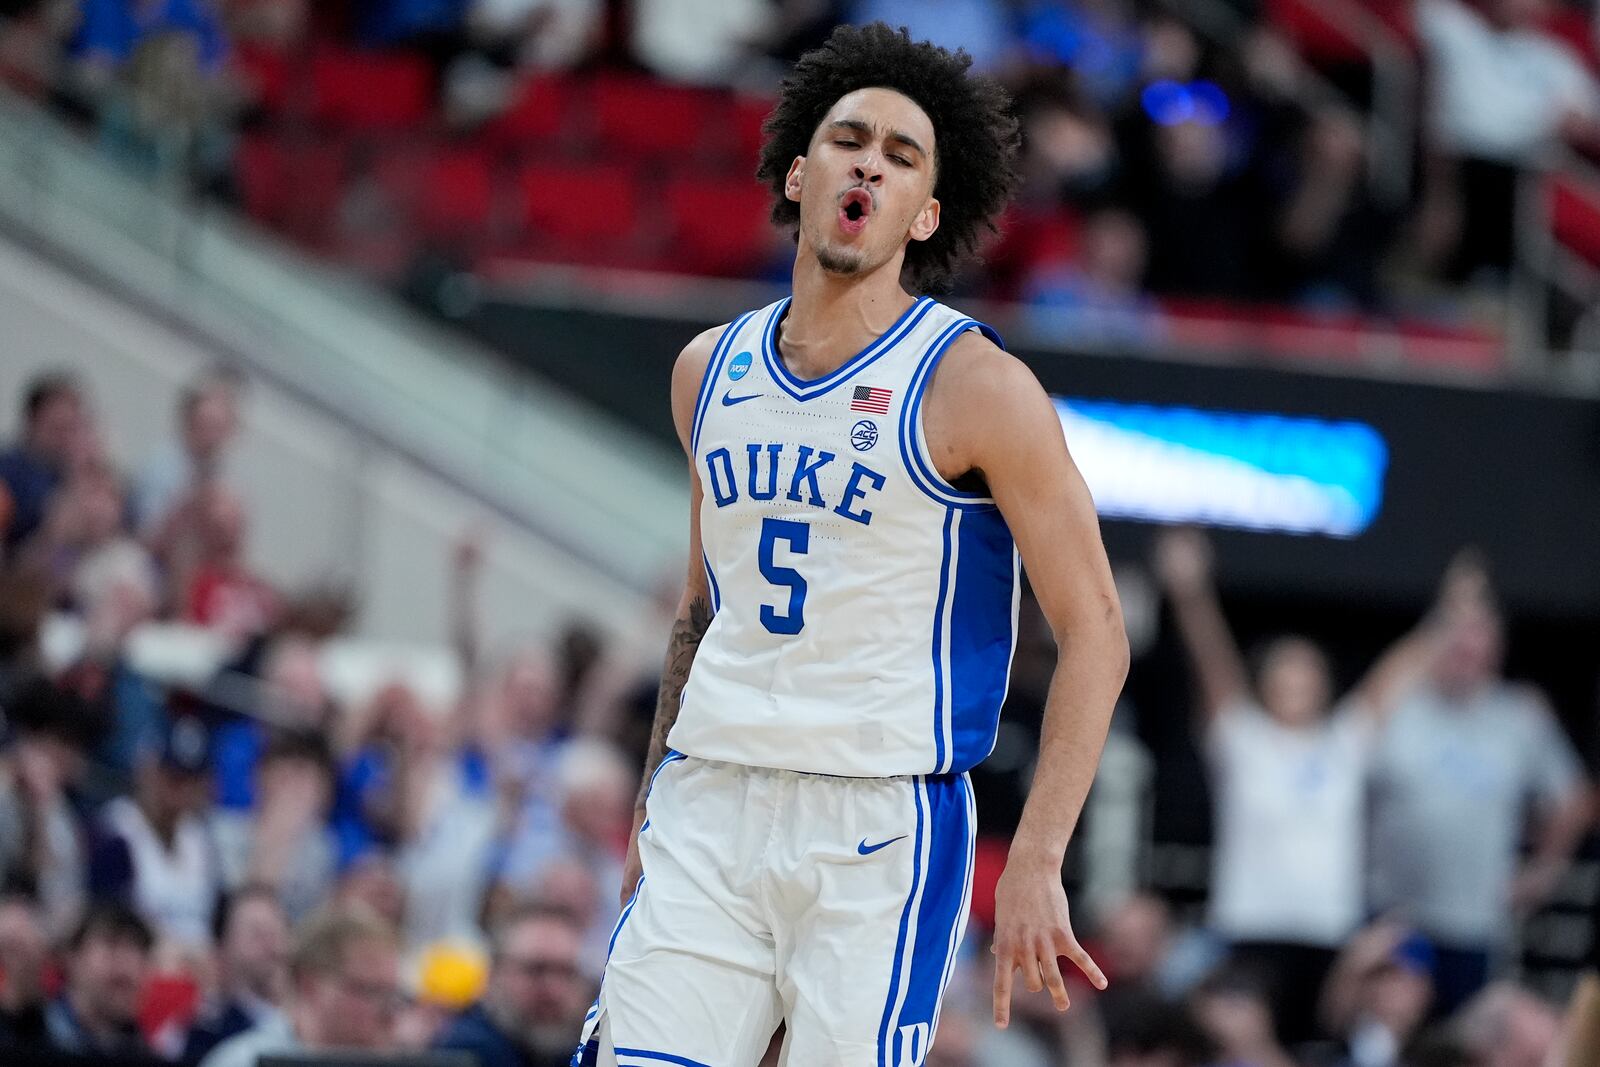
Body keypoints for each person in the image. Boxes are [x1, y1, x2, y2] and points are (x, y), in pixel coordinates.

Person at [575, 23, 1129, 1067]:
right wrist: (654, 799)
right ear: (798, 170)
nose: (868, 159)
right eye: (847, 137)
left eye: (901, 153)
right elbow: (702, 613)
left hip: (880, 823)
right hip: (712, 798)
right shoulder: (709, 370)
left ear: (924, 213)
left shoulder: (976, 386)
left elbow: (1096, 628)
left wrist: (1038, 853)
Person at [1153, 528, 1442, 1044]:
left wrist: (1447, 618)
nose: (1295, 685)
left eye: (1306, 674)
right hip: (1250, 928)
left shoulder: (1344, 743)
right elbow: (1212, 662)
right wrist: (1191, 593)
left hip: (1329, 935)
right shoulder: (1243, 739)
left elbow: (1390, 680)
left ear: (1323, 684)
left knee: (1317, 1050)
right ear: (1264, 682)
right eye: (1284, 674)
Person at [1367, 565, 1591, 1015]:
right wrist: (1444, 612)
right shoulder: (1402, 707)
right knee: (1386, 1034)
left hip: (1476, 925)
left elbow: (1575, 797)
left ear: (1497, 649)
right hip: (1396, 916)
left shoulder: (1518, 717)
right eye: (1456, 639)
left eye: (1478, 640)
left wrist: (1543, 873)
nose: (1466, 651)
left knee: (1466, 1041)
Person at [201, 904, 402, 1067]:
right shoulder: (245, 1060)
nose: (387, 1010)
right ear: (310, 985)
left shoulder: (399, 1058)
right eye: (368, 990)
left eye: (391, 994)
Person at [90, 714, 222, 952]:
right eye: (171, 777)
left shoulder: (200, 839)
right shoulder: (117, 831)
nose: (177, 792)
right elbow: (109, 918)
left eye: (188, 780)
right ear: (148, 768)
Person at [434, 903, 590, 1067]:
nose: (554, 989)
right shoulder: (461, 1054)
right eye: (536, 970)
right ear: (495, 974)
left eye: (568, 972)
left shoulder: (589, 1051)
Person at [182, 885, 291, 1063]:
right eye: (257, 934)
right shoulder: (207, 1035)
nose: (272, 945)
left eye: (277, 931)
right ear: (222, 949)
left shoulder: (314, 1029)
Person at [44, 901, 156, 1057]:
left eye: (139, 950)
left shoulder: (144, 1051)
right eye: (112, 944)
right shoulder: (25, 1039)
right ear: (72, 957)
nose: (128, 962)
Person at [0, 373, 84, 553]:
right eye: (57, 428)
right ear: (32, 421)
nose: (65, 439)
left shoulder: (69, 473)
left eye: (72, 428)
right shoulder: (7, 469)